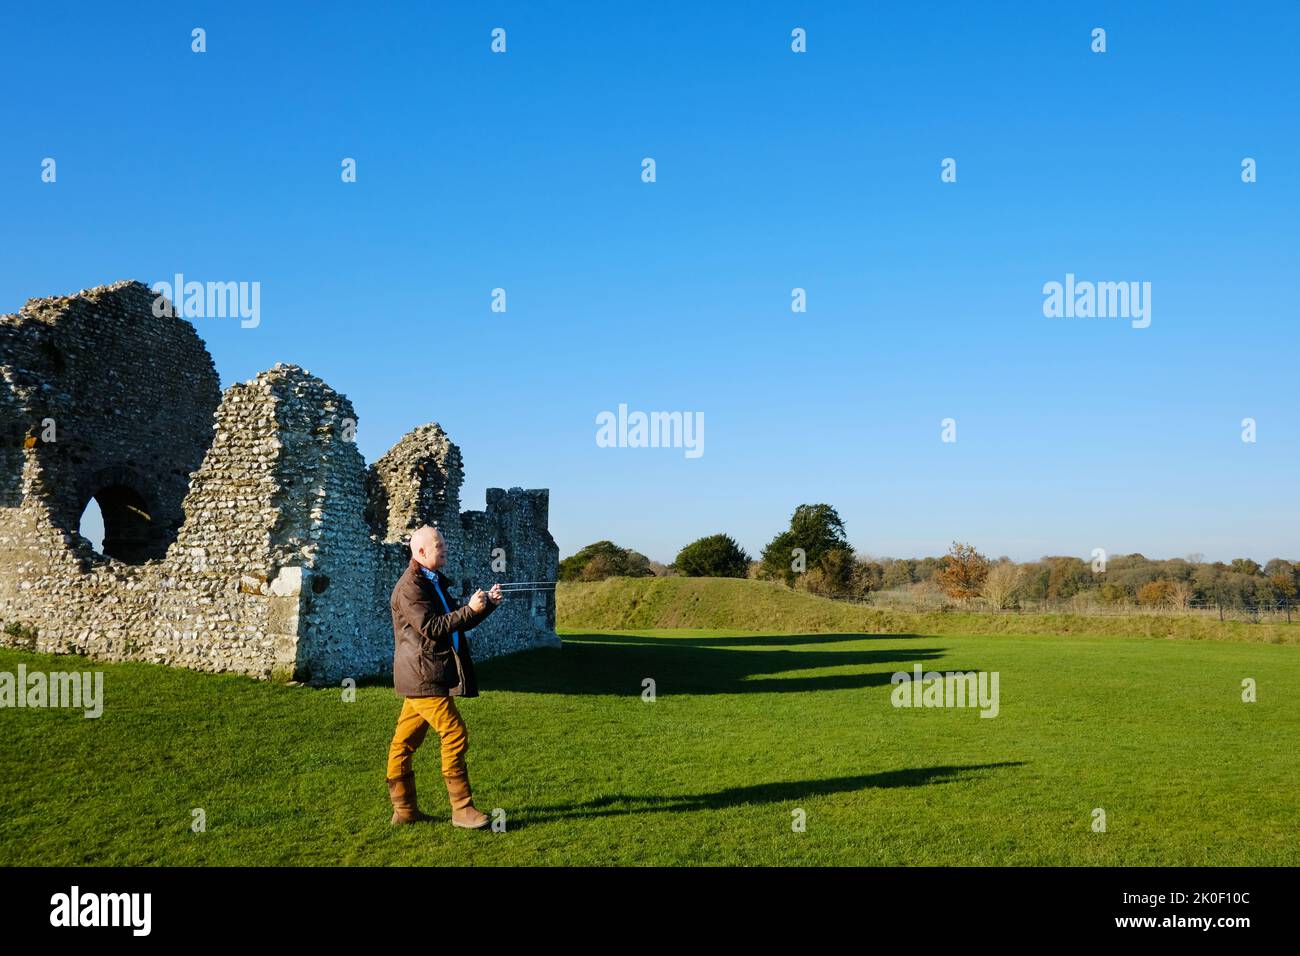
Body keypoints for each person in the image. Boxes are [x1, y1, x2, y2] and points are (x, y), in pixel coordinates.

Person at [385, 524, 503, 828]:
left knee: (403, 743)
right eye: (440, 545)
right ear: (422, 552)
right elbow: (434, 627)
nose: (445, 549)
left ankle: (405, 811)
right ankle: (462, 809)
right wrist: (469, 610)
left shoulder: (431, 582)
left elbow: (456, 623)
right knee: (454, 734)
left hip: (425, 675)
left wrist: (484, 606)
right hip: (424, 676)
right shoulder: (410, 587)